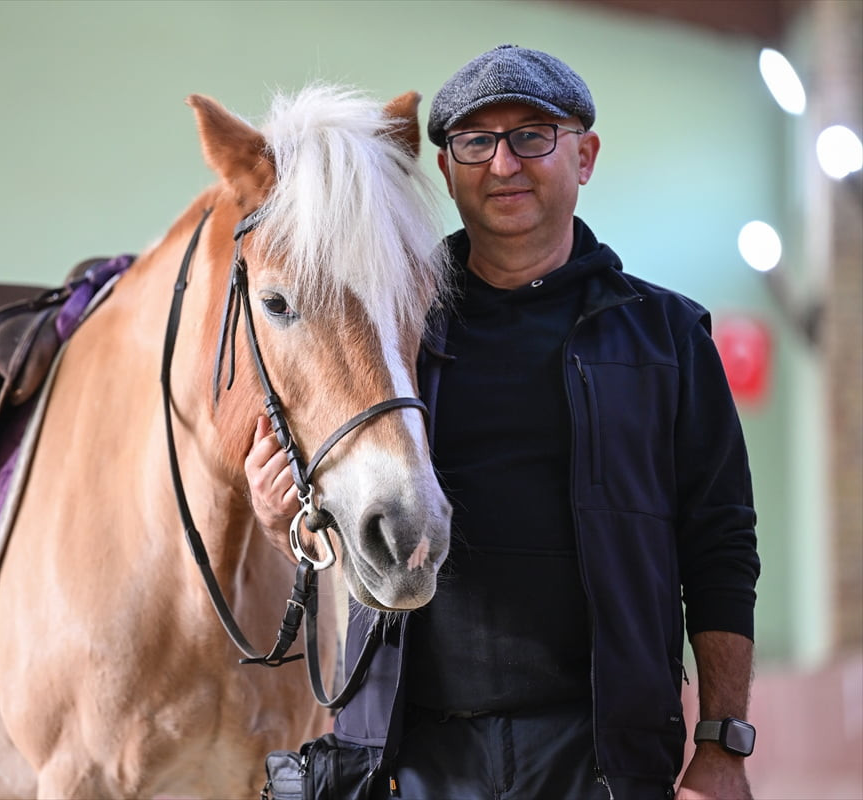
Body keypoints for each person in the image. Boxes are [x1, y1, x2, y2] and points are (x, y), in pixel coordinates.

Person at [246, 44, 761, 800]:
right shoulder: (388, 330)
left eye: (532, 136)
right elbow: (347, 517)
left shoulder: (668, 338)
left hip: (602, 753)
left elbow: (721, 546)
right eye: (475, 142)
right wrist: (279, 517)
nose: (503, 164)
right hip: (412, 754)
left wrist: (722, 744)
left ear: (584, 156)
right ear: (447, 170)